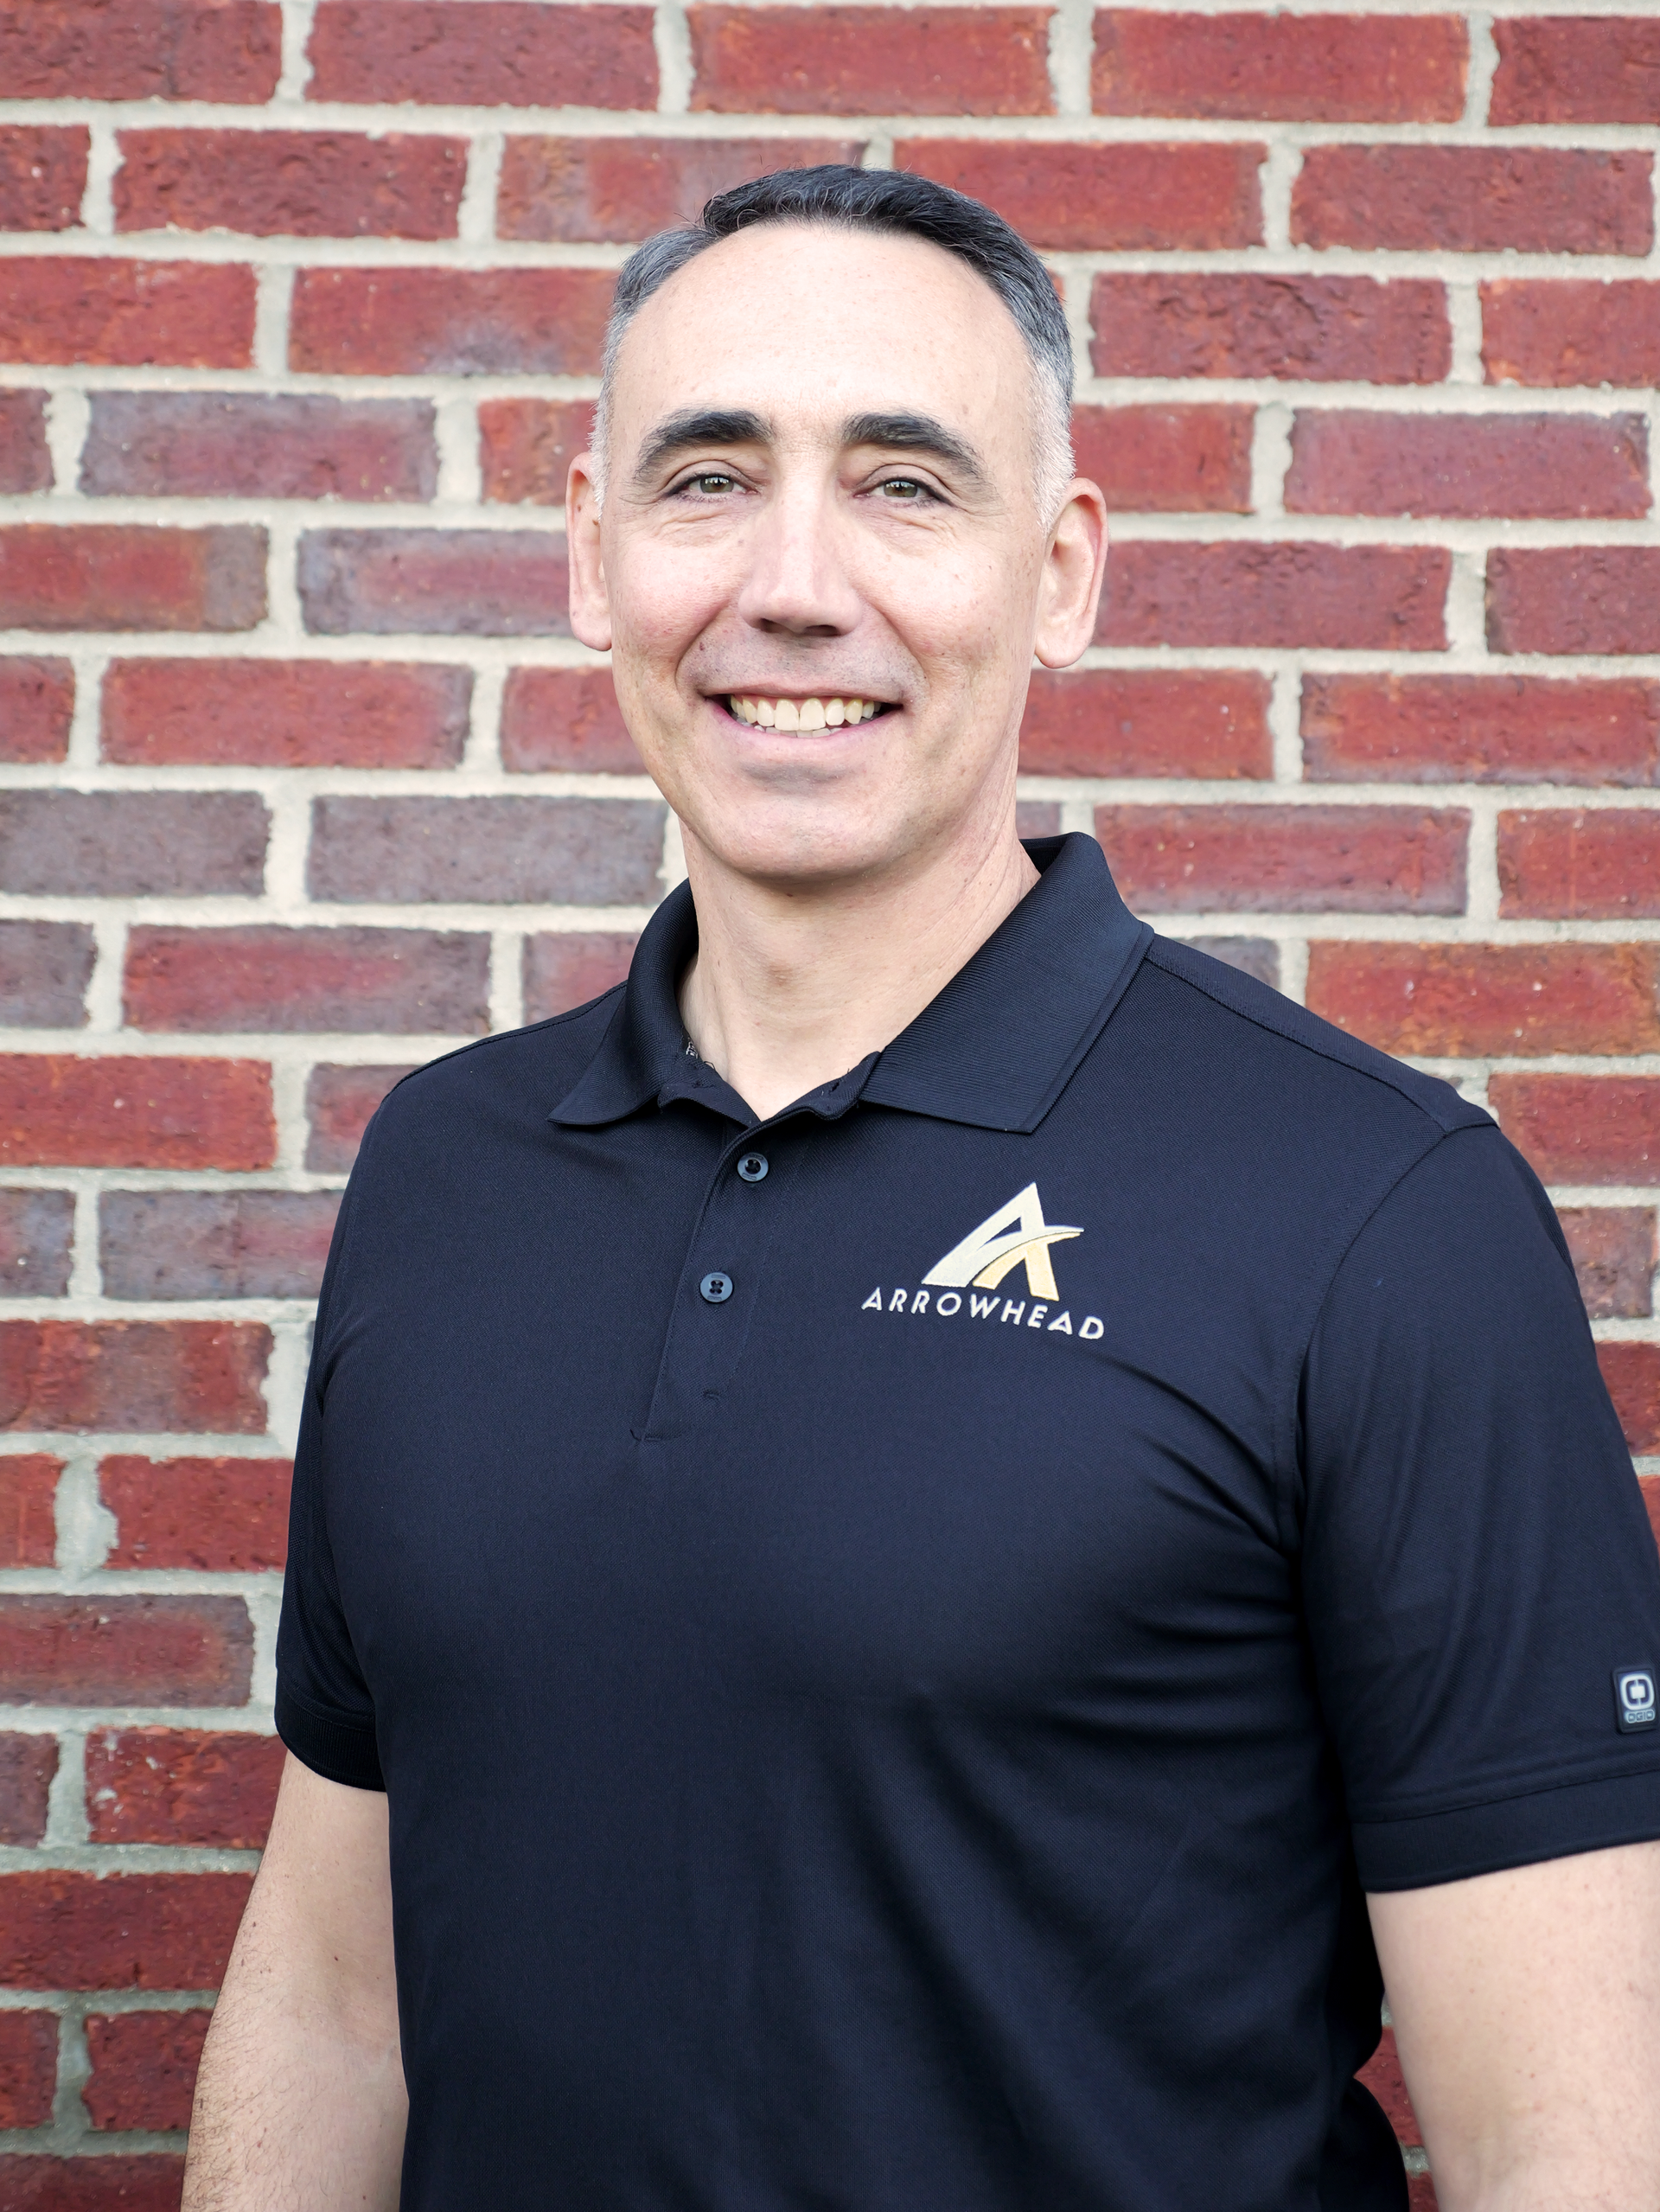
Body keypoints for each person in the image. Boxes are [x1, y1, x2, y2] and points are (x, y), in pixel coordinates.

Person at [182, 167, 1660, 2212]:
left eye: (903, 483)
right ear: (593, 560)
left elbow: (1560, 2150)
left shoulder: (1373, 1206)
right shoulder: (449, 1170)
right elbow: (341, 1996)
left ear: (1060, 574)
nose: (795, 585)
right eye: (707, 480)